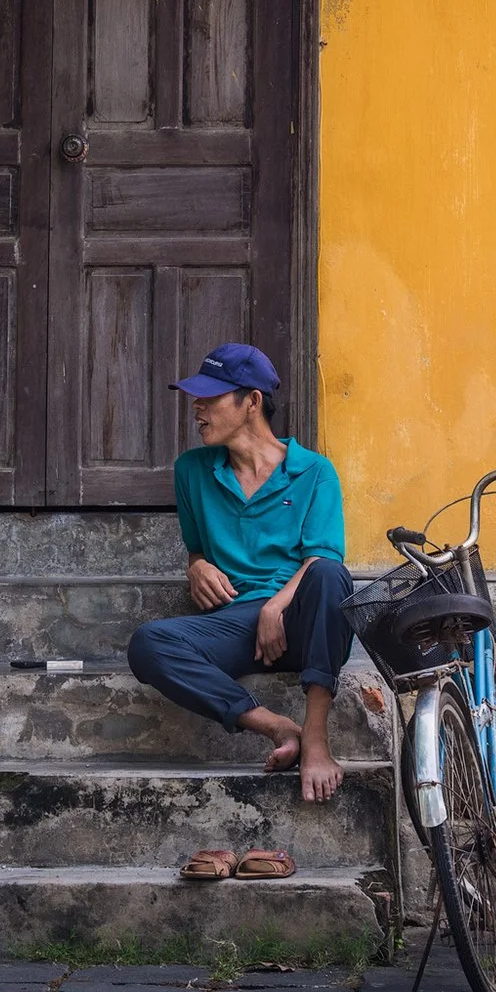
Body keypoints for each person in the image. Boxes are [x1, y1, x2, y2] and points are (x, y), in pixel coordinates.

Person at [127, 343, 353, 803]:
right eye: (197, 397)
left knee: (332, 577)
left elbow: (321, 557)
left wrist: (278, 604)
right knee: (148, 643)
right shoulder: (192, 470)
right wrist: (197, 566)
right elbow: (196, 549)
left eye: (211, 397)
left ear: (251, 401)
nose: (197, 407)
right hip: (236, 623)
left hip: (303, 620)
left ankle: (315, 737)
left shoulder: (314, 471)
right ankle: (277, 726)